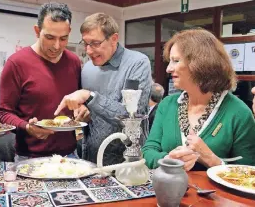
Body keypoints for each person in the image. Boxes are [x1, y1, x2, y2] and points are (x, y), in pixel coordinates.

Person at [142, 28, 255, 171]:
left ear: (201, 64)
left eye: (176, 61)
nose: (168, 69)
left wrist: (212, 160)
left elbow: (249, 173)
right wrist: (167, 160)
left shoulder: (239, 112)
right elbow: (148, 150)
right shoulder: (166, 105)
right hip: (168, 191)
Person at [54, 13, 152, 166]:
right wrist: (83, 112)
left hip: (127, 163)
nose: (89, 51)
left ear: (114, 39)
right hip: (91, 160)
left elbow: (131, 117)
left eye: (95, 43)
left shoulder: (137, 63)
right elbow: (91, 111)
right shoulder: (87, 69)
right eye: (85, 43)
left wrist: (90, 97)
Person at [0, 2, 88, 162]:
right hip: (30, 158)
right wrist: (27, 126)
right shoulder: (16, 63)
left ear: (69, 33)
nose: (56, 46)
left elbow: (77, 101)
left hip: (70, 156)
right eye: (50, 37)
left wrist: (82, 109)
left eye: (63, 38)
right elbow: (4, 113)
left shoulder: (73, 61)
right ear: (37, 31)